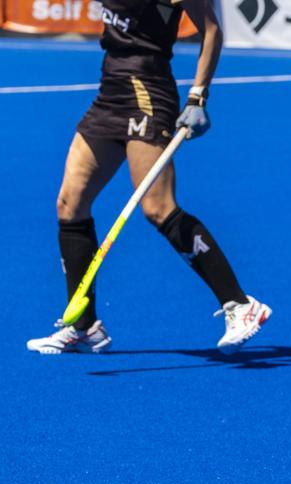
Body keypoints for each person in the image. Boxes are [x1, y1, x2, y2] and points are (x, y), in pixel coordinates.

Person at [26, 0, 270, 355]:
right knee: (70, 203)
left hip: (147, 94)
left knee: (158, 208)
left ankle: (240, 304)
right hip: (109, 92)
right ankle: (84, 328)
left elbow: (212, 30)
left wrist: (198, 97)